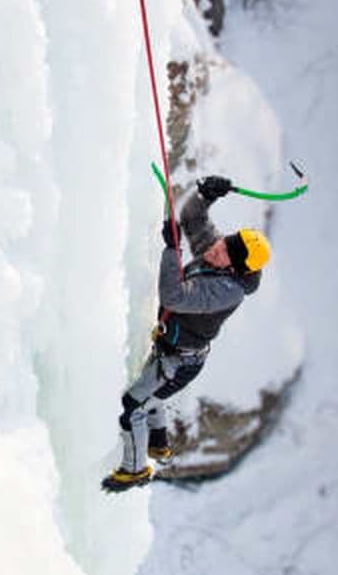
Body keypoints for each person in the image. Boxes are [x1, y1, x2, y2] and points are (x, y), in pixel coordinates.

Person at [102, 176, 271, 492]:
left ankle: (135, 469)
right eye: (221, 244)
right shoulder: (222, 256)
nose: (215, 249)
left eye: (223, 254)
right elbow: (194, 219)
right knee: (153, 392)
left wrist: (171, 249)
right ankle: (158, 443)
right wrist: (206, 196)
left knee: (132, 406)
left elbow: (174, 297)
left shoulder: (227, 290)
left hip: (181, 361)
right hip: (172, 349)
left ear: (237, 269)